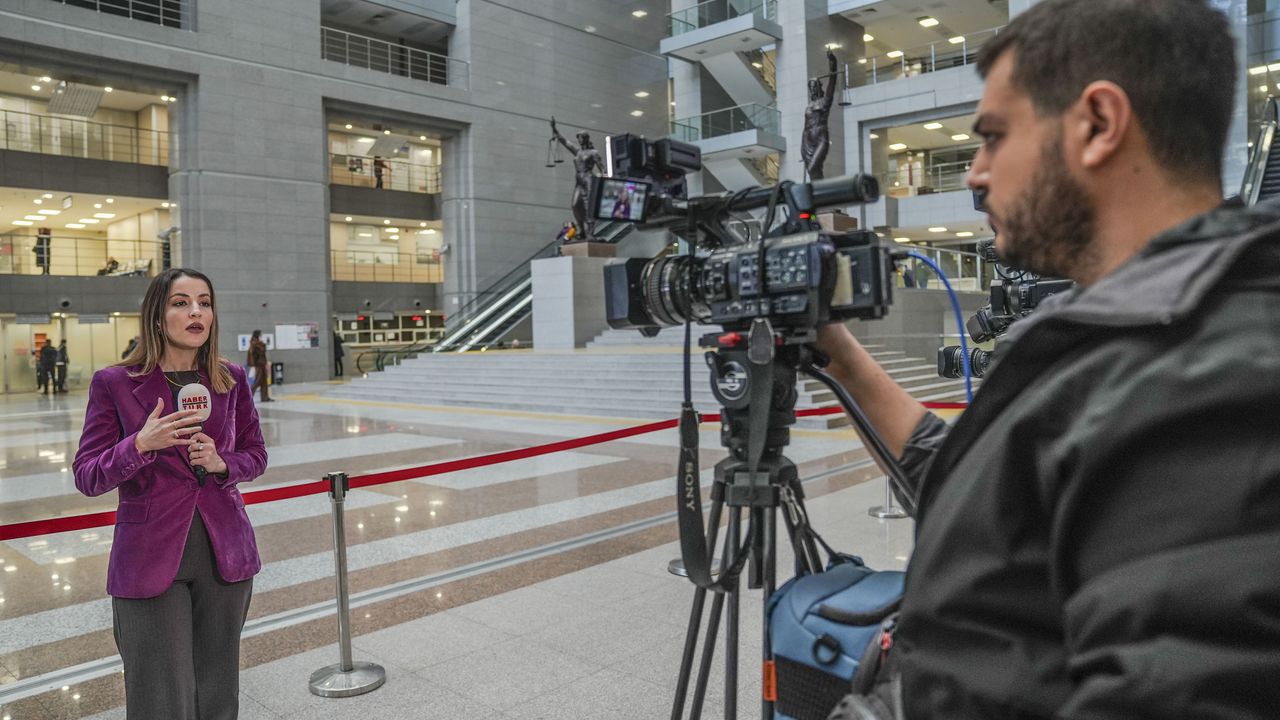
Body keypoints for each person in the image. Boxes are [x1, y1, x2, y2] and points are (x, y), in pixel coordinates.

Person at [816, 1, 1280, 717]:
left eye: (993, 138)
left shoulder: (1213, 382)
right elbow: (996, 504)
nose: (974, 175)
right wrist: (841, 358)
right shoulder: (1123, 327)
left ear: (1097, 123)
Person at [72, 268, 266, 720]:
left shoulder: (230, 378)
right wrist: (139, 445)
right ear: (157, 316)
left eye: (204, 302)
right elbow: (87, 475)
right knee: (161, 695)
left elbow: (256, 454)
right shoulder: (115, 382)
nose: (196, 312)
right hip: (150, 554)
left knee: (218, 691)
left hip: (224, 551)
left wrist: (222, 463)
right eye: (181, 303)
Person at [550, 116, 605, 241]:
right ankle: (581, 230)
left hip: (589, 179)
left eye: (580, 137)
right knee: (575, 205)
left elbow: (602, 168)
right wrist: (554, 129)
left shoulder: (593, 153)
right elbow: (565, 142)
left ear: (585, 138)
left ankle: (590, 232)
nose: (578, 140)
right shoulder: (578, 151)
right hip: (579, 180)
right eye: (578, 138)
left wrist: (604, 182)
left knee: (589, 206)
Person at [801, 50, 839, 181]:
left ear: (819, 87)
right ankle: (819, 191)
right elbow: (805, 126)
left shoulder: (825, 101)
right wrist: (802, 146)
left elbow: (832, 81)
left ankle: (821, 190)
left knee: (813, 168)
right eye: (810, 87)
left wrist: (833, 62)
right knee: (813, 172)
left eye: (814, 87)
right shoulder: (809, 105)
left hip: (820, 138)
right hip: (807, 140)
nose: (812, 90)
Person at [247, 329, 271, 402]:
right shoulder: (255, 344)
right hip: (258, 365)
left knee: (264, 382)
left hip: (262, 365)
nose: (262, 336)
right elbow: (253, 355)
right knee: (257, 382)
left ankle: (265, 398)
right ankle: (247, 398)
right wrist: (253, 365)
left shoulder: (258, 344)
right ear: (258, 336)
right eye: (261, 335)